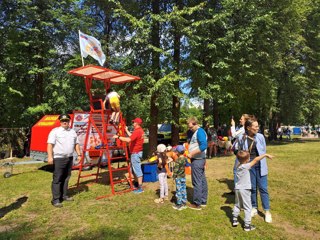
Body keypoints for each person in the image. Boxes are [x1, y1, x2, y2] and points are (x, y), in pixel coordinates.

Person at [235, 118, 273, 223]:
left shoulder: (260, 137)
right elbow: (238, 150)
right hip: (249, 167)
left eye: (257, 126)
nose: (257, 128)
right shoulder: (242, 137)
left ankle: (267, 211)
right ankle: (254, 207)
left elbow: (263, 149)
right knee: (252, 188)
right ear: (248, 127)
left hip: (260, 165)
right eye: (255, 126)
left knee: (263, 188)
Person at [232, 150, 274, 231]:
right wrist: (265, 155)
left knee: (237, 205)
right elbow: (256, 159)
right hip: (245, 189)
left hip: (237, 189)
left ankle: (234, 220)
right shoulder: (245, 166)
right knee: (248, 207)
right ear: (247, 159)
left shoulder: (237, 166)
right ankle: (247, 225)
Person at [47, 114, 81, 208]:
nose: (65, 122)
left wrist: (79, 154)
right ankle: (56, 200)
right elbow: (50, 144)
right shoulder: (55, 131)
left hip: (69, 157)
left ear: (69, 121)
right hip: (59, 158)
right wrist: (50, 157)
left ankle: (64, 195)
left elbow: (76, 144)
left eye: (66, 120)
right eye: (63, 120)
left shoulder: (73, 132)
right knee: (57, 179)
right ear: (60, 121)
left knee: (66, 178)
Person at [112, 117, 144, 193]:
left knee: (137, 170)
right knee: (135, 169)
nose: (133, 123)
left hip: (135, 153)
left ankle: (140, 188)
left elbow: (128, 139)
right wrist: (126, 130)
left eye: (134, 122)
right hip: (137, 152)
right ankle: (137, 184)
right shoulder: (139, 131)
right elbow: (131, 137)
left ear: (137, 123)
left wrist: (118, 137)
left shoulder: (137, 131)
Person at [186, 117, 208, 210]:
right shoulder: (197, 132)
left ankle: (197, 203)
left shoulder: (200, 132)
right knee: (202, 180)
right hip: (200, 159)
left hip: (197, 160)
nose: (190, 129)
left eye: (190, 127)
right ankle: (203, 201)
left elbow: (203, 145)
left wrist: (191, 153)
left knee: (197, 181)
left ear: (194, 123)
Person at [172, 145, 188, 211]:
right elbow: (186, 165)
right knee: (183, 189)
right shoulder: (185, 158)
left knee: (178, 190)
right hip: (183, 176)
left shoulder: (178, 160)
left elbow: (176, 169)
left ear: (178, 152)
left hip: (178, 177)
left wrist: (173, 176)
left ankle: (179, 204)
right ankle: (184, 203)